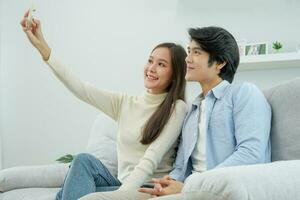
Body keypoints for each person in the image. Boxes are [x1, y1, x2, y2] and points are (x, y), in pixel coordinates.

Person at [20, 10, 188, 200]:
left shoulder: (177, 108)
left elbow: (151, 158)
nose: (151, 68)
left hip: (145, 189)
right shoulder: (124, 103)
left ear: (174, 75)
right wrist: (43, 47)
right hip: (121, 184)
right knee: (83, 161)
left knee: (67, 193)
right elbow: (81, 88)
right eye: (150, 61)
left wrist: (119, 196)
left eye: (161, 64)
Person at [138, 26, 272, 198]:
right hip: (192, 191)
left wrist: (192, 186)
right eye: (188, 51)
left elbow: (251, 154)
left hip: (225, 190)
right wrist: (167, 183)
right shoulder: (192, 110)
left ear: (219, 62)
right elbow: (180, 167)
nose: (187, 59)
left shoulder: (244, 93)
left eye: (197, 52)